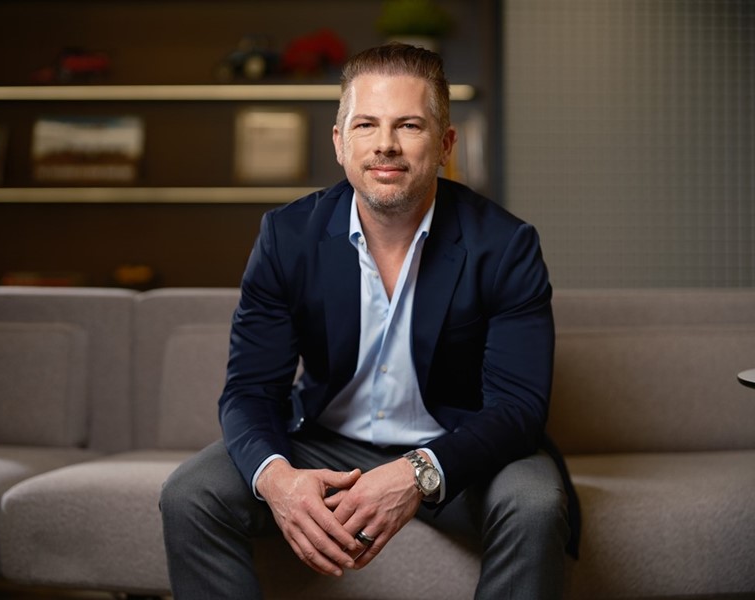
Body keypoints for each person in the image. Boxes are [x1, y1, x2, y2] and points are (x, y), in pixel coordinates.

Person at [160, 42, 578, 599]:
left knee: (536, 502)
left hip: (459, 450)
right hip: (325, 444)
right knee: (190, 493)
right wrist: (280, 481)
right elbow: (249, 392)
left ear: (445, 143)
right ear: (339, 142)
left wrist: (417, 472)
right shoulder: (287, 238)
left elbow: (519, 408)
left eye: (408, 124)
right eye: (365, 125)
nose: (385, 144)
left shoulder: (506, 245)